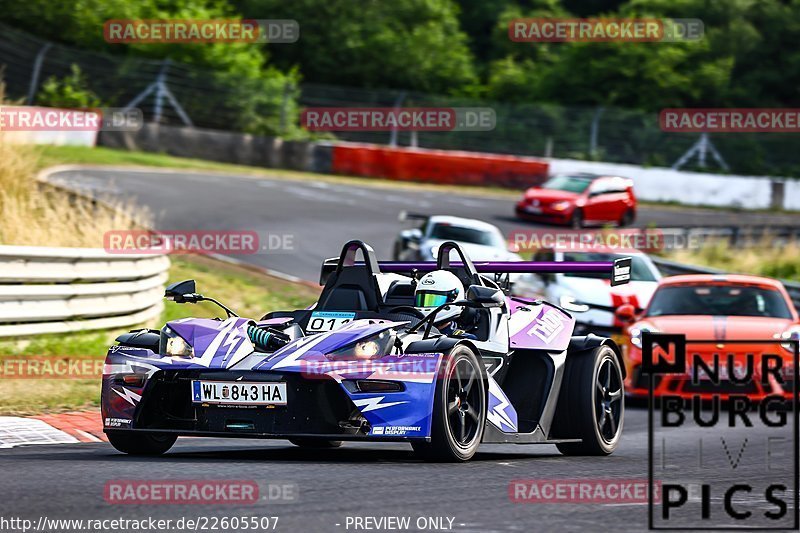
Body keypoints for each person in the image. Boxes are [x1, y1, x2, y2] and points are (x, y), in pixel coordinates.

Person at [414, 271, 477, 338]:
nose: (426, 306)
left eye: (435, 300)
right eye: (422, 300)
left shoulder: (463, 340)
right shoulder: (410, 332)